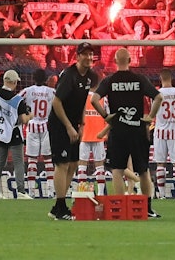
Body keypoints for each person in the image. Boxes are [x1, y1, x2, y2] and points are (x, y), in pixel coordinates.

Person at [92, 48, 162, 218]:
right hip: (137, 130)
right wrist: (150, 117)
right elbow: (158, 97)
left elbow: (94, 99)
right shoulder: (140, 79)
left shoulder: (109, 80)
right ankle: (147, 208)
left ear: (115, 61)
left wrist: (106, 116)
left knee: (117, 169)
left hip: (118, 131)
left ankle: (119, 207)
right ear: (130, 61)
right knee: (143, 170)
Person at [48, 41, 104, 220]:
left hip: (74, 124)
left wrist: (81, 124)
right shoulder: (69, 75)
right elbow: (56, 102)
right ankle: (61, 206)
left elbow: (82, 102)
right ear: (78, 56)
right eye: (85, 54)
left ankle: (58, 206)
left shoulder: (89, 77)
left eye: (91, 54)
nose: (89, 57)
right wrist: (69, 127)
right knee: (62, 164)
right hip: (60, 123)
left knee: (73, 164)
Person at [0, 69, 32, 199]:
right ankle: (21, 191)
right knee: (18, 162)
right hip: (14, 133)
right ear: (14, 82)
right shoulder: (17, 100)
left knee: (0, 162)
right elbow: (23, 119)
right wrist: (31, 115)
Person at [151, 69, 175, 199]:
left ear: (160, 78)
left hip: (160, 132)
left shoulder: (156, 94)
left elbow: (153, 112)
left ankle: (162, 194)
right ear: (171, 78)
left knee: (160, 163)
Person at [21, 67, 56, 197]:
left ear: (33, 78)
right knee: (48, 159)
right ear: (46, 79)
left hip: (32, 126)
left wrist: (24, 114)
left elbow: (16, 101)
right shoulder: (52, 92)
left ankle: (31, 192)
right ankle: (51, 191)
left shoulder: (27, 91)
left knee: (32, 159)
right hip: (46, 126)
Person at [76, 91, 107, 195]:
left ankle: (82, 192)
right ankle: (101, 193)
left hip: (85, 135)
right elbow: (108, 116)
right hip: (98, 135)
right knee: (99, 166)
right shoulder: (102, 98)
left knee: (82, 165)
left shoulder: (82, 96)